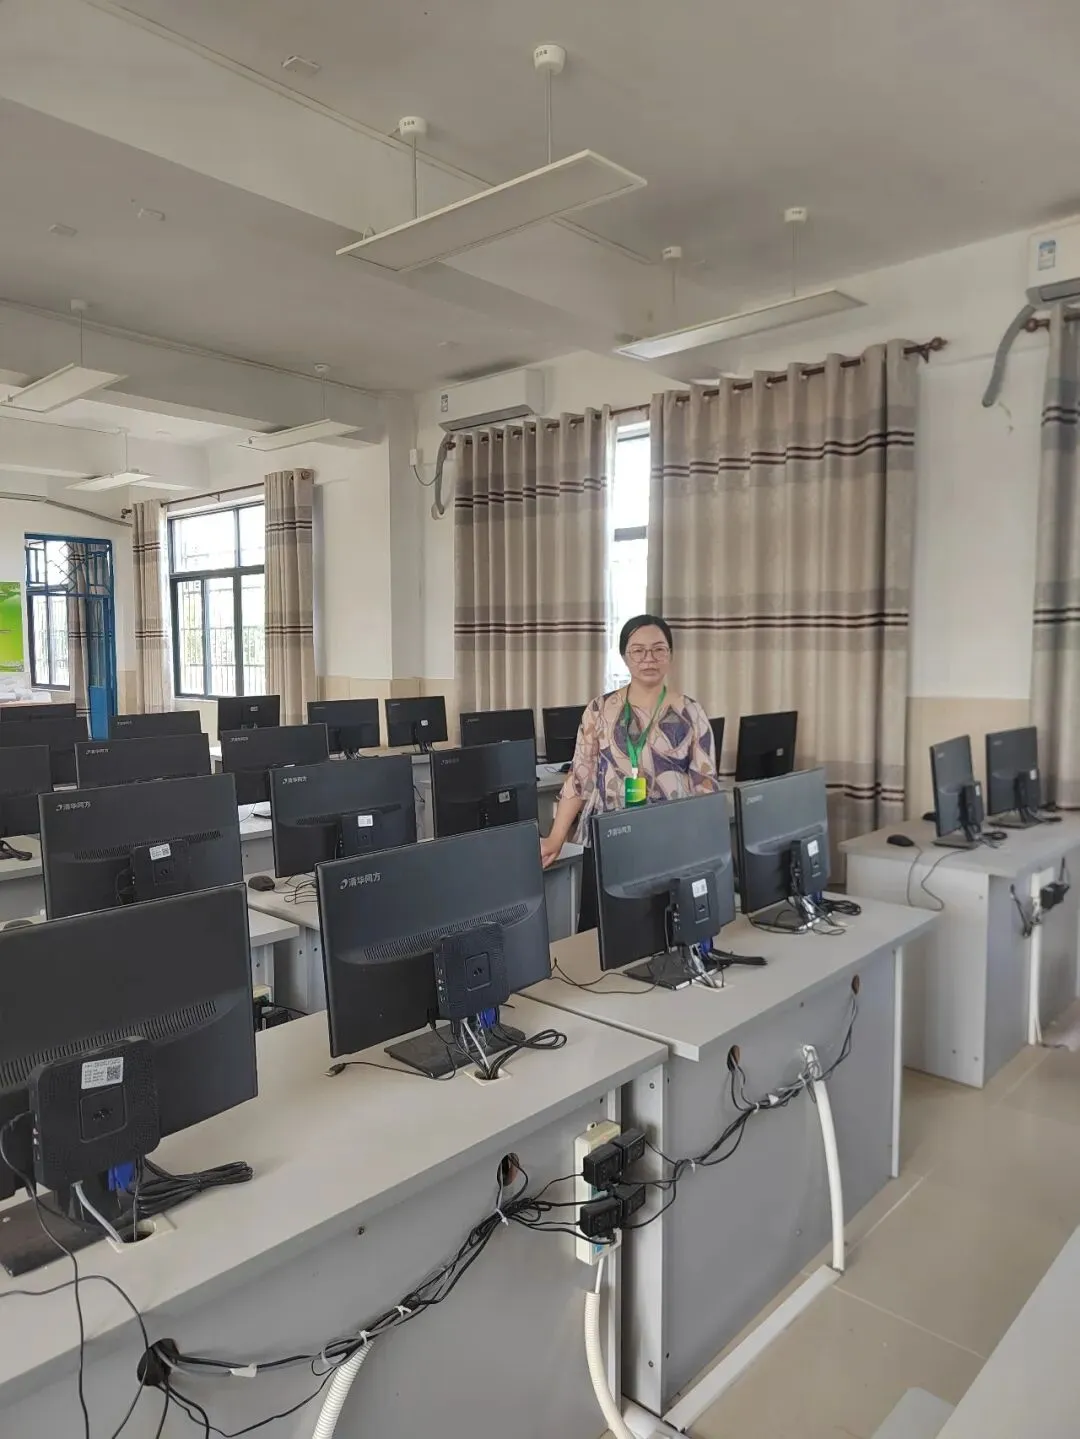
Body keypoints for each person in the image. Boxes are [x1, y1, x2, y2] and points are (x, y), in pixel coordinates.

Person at [540, 614, 719, 869]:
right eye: (638, 650)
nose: (649, 658)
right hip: (609, 839)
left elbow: (706, 787)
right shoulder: (599, 710)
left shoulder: (691, 713)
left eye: (658, 649)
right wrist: (555, 838)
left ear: (670, 654)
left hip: (672, 842)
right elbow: (580, 778)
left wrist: (705, 847)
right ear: (624, 656)